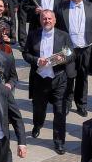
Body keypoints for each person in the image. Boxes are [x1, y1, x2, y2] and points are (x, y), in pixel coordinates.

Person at [23, 10, 74, 154]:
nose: (47, 21)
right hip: (40, 79)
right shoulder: (33, 35)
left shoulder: (63, 36)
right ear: (40, 20)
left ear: (55, 20)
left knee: (59, 111)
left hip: (58, 78)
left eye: (49, 18)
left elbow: (71, 53)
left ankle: (59, 141)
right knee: (39, 108)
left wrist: (62, 59)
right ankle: (37, 125)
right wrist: (36, 60)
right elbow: (25, 53)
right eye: (44, 18)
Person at [56, 0, 92, 117]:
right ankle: (67, 102)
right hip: (67, 49)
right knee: (68, 76)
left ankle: (81, 104)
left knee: (83, 77)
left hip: (86, 47)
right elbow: (57, 29)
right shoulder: (60, 8)